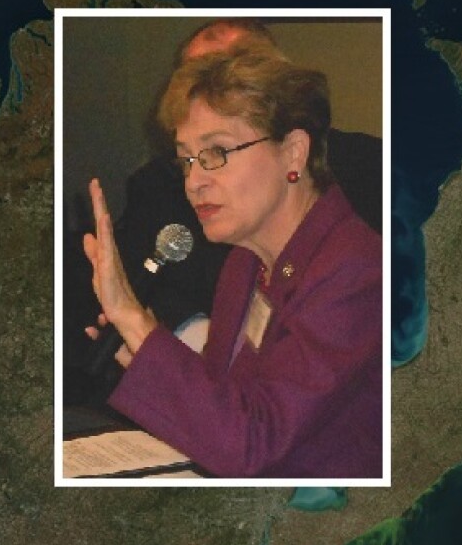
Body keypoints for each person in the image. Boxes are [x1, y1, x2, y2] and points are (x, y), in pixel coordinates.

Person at [82, 49, 383, 478]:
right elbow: (225, 405)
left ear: (294, 152)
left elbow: (254, 442)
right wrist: (140, 347)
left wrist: (134, 321)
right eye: (186, 159)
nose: (194, 180)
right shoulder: (244, 264)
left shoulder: (356, 271)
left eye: (216, 152)